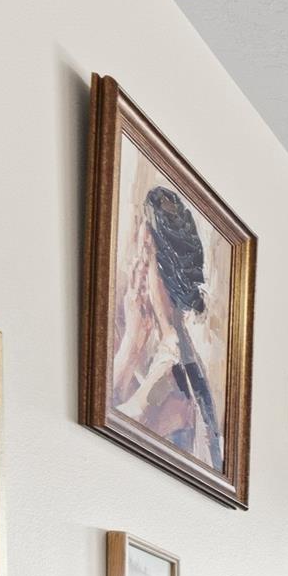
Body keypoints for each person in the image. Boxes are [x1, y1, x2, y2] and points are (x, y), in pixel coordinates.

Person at [108, 183, 223, 467]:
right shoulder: (178, 357)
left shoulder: (170, 371)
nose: (136, 268)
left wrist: (130, 345)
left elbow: (108, 425)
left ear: (165, 276)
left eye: (144, 255)